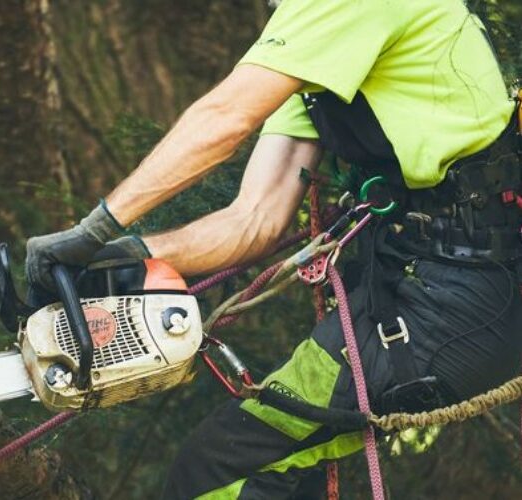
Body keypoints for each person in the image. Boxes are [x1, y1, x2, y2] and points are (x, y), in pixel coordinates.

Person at [26, 0, 522, 498]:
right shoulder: (312, 40)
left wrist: (92, 229)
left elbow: (225, 118)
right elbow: (255, 218)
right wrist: (118, 256)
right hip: (413, 288)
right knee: (280, 475)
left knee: (216, 472)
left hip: (457, 301)